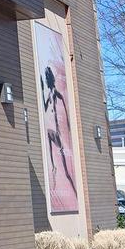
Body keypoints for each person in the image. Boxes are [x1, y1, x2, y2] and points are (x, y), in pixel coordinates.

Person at [41, 65, 77, 196]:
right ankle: (62, 174)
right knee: (60, 156)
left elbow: (46, 107)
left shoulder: (50, 93)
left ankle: (56, 171)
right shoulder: (54, 92)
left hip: (49, 129)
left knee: (53, 155)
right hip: (53, 129)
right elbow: (55, 103)